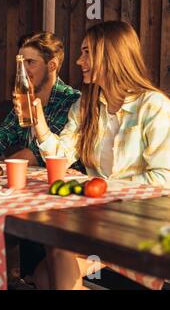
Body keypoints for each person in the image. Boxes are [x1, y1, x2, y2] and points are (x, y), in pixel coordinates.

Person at [28, 21, 170, 289]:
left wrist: (102, 190)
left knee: (50, 268)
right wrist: (40, 125)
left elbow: (164, 180)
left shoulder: (154, 106)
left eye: (87, 53)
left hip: (143, 223)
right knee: (47, 267)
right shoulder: (87, 104)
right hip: (100, 220)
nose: (80, 61)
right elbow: (61, 158)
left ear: (112, 54)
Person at [0, 32, 83, 171]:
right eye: (20, 63)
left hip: (65, 186)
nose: (22, 70)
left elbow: (33, 156)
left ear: (52, 65)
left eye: (30, 62)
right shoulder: (24, 98)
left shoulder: (70, 100)